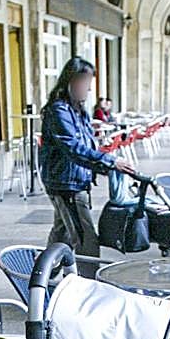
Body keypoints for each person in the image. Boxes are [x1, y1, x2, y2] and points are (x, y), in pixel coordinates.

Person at [39, 59, 134, 257]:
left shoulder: (77, 110)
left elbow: (85, 147)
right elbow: (72, 148)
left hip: (73, 181)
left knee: (62, 233)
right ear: (70, 81)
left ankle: (45, 270)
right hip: (67, 184)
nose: (88, 88)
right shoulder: (59, 110)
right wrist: (110, 161)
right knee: (86, 239)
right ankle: (88, 276)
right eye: (85, 82)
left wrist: (105, 167)